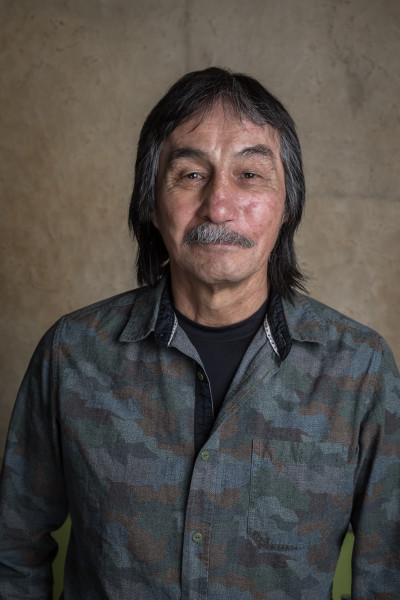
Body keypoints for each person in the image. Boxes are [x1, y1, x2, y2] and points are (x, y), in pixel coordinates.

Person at [0, 67, 399, 600]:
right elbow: (13, 550)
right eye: (190, 174)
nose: (218, 206)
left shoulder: (360, 370)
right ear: (150, 201)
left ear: (288, 203)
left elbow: (389, 574)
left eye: (250, 175)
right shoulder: (72, 354)